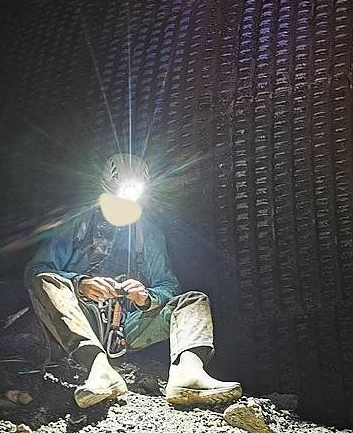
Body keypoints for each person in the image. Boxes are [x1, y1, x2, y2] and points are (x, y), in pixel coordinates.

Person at [23, 153, 241, 409]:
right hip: (81, 317)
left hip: (126, 324)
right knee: (45, 279)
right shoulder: (77, 224)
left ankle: (188, 375)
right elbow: (36, 270)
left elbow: (168, 286)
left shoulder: (147, 234)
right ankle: (98, 369)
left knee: (194, 300)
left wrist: (146, 297)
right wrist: (80, 283)